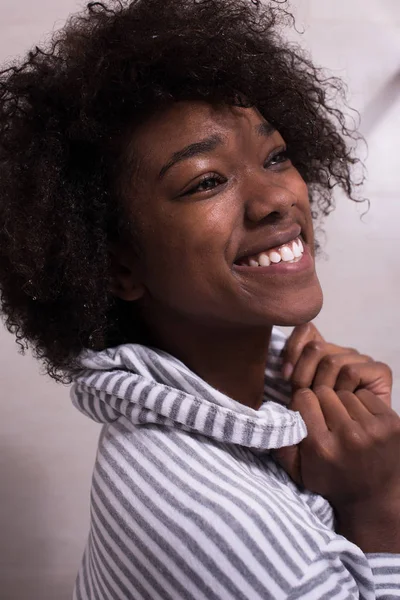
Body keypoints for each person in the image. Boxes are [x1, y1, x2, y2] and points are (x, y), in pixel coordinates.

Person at [0, 0, 399, 598]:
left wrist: (352, 440)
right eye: (207, 181)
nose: (275, 200)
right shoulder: (208, 518)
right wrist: (377, 501)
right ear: (117, 264)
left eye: (276, 157)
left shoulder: (249, 399)